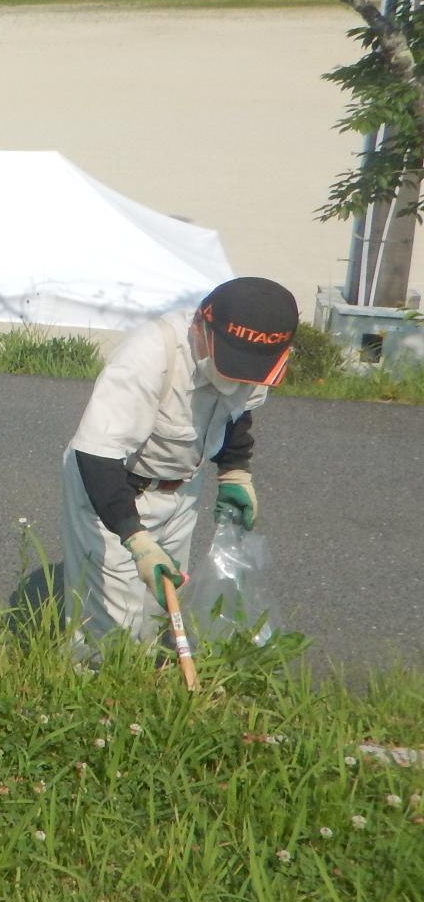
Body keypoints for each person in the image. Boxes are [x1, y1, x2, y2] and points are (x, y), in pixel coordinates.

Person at [62, 276, 296, 649]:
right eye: (231, 365)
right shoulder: (150, 353)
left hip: (183, 487)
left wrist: (235, 472)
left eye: (248, 373)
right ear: (201, 326)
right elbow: (97, 452)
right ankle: (89, 690)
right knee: (110, 626)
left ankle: (146, 691)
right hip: (114, 486)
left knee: (159, 613)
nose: (238, 379)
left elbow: (237, 413)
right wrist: (135, 538)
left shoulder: (255, 362)